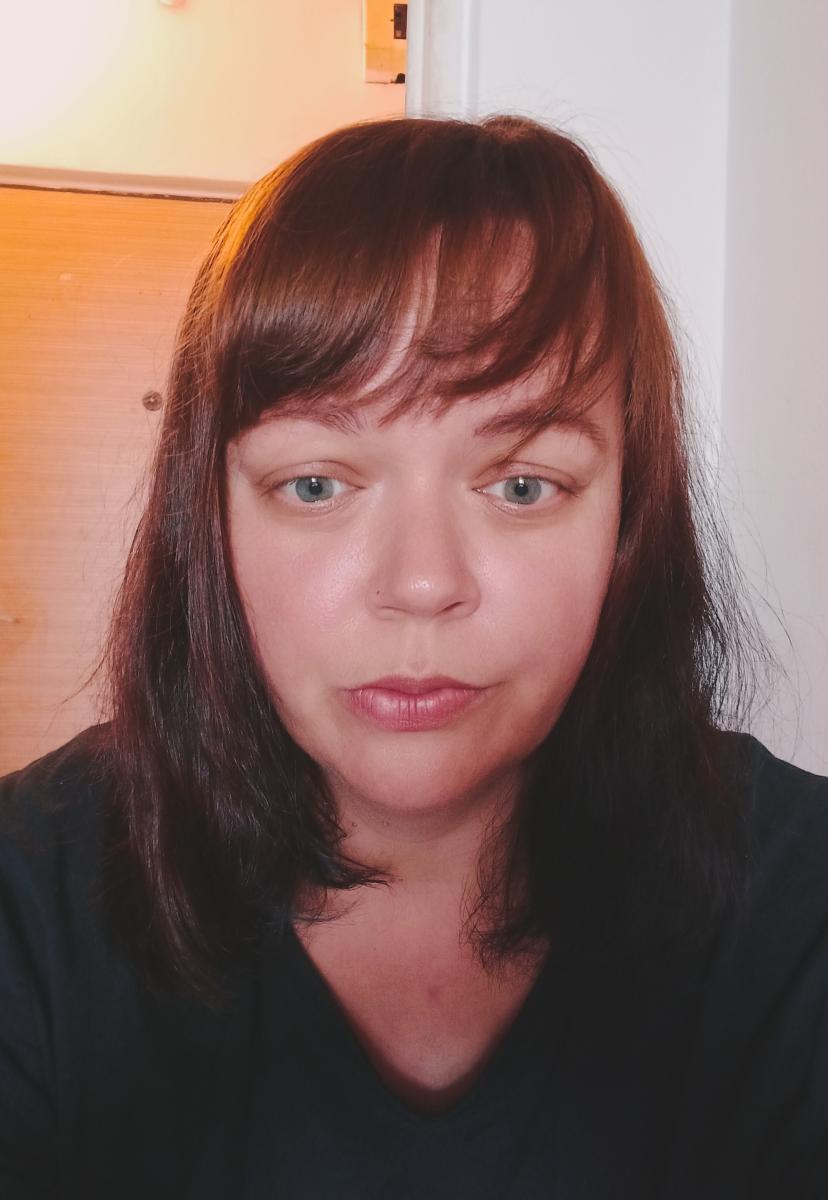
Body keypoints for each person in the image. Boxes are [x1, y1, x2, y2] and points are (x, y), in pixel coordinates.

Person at [1, 114, 826, 1200]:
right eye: (317, 484)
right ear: (213, 521)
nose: (424, 582)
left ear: (627, 523)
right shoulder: (32, 895)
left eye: (522, 484)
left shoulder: (796, 909)